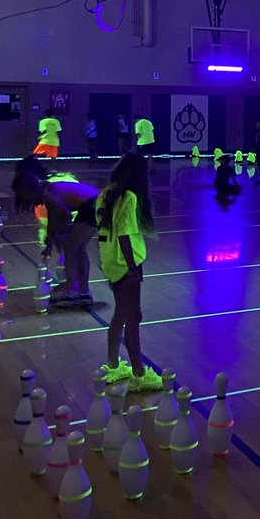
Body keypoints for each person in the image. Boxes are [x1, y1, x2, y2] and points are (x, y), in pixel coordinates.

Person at [96, 153, 161, 391]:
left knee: (121, 313)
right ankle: (138, 373)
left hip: (111, 261)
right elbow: (124, 234)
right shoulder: (129, 198)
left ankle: (113, 365)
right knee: (134, 316)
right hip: (126, 263)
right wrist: (133, 268)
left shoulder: (105, 195)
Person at [10, 157, 99, 306]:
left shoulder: (48, 194)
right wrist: (50, 244)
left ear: (27, 190)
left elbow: (64, 215)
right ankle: (83, 290)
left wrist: (61, 234)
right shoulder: (48, 190)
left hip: (91, 206)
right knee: (79, 249)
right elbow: (54, 220)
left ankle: (73, 290)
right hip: (95, 204)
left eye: (23, 194)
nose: (24, 198)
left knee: (70, 249)